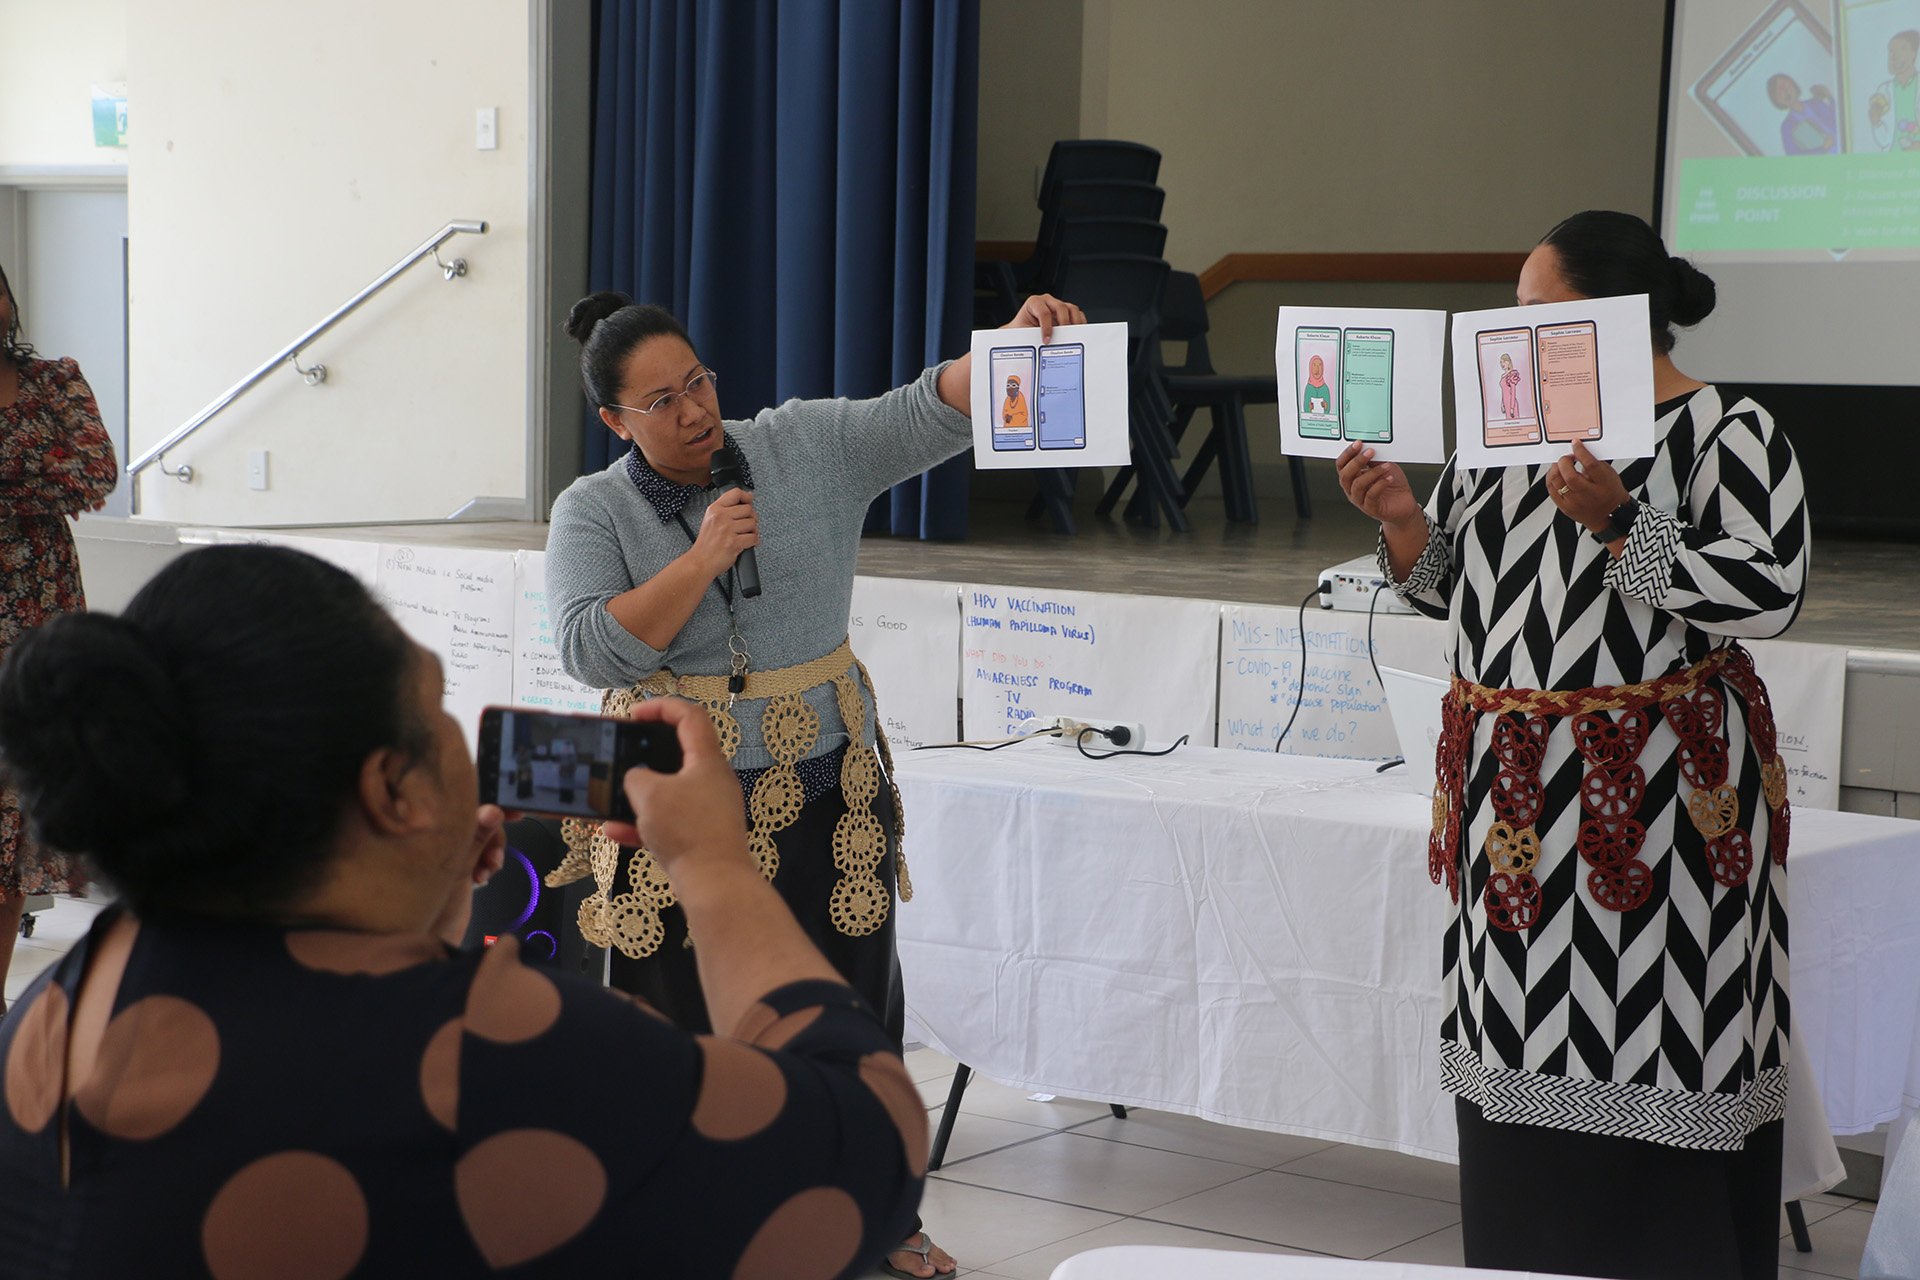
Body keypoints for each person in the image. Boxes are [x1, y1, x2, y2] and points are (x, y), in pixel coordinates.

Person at [0, 545, 926, 1279]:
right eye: (438, 704)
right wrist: (711, 861)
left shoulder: (56, 1010)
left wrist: (417, 901)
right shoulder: (487, 1048)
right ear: (390, 790)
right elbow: (869, 1152)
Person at [545, 289, 1083, 1279]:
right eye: (663, 401)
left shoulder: (802, 446)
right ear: (617, 421)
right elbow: (589, 649)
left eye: (698, 381)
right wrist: (703, 557)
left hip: (826, 777)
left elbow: (924, 411)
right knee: (680, 1020)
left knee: (851, 1007)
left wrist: (1005, 352)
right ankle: (696, 1226)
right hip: (678, 798)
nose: (696, 410)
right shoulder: (594, 508)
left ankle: (879, 1219)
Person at [1337, 211, 1808, 1280]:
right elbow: (1454, 589)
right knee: (1516, 1034)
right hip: (1515, 805)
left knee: (1666, 1026)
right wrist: (1405, 520)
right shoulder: (1507, 431)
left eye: (1538, 310)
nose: (1516, 330)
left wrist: (1621, 519)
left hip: (1658, 801)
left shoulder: (1728, 428)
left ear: (1617, 315)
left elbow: (1770, 592)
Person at [0, 261, 117, 1015]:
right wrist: (35, 473)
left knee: (16, 799)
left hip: (37, 609)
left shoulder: (54, 380)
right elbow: (62, 474)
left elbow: (95, 474)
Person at [1866, 29, 1920, 151]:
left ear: (1914, 53)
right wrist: (1876, 122)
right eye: (1891, 51)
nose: (1894, 56)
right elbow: (1884, 141)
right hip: (1892, 158)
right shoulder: (1884, 91)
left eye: (1902, 49)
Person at [1766, 74, 1838, 155]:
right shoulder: (1787, 126)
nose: (1785, 91)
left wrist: (1829, 97)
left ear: (1794, 85)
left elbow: (1837, 119)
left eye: (1786, 85)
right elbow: (1794, 155)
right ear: (1777, 100)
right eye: (1779, 92)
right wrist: (1823, 148)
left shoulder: (1815, 102)